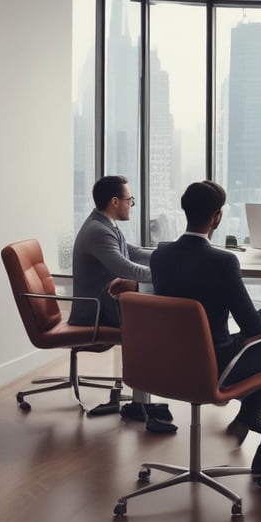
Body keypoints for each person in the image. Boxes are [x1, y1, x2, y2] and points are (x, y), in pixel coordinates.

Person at [150, 180, 261, 481]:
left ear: (185, 211)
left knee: (256, 341)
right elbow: (253, 325)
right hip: (214, 365)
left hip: (169, 365)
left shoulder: (160, 256)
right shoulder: (223, 261)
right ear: (217, 217)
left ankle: (249, 417)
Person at [69, 175, 175, 432]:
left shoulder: (105, 224)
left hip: (111, 303)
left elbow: (135, 252)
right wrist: (172, 274)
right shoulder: (98, 231)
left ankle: (143, 399)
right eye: (130, 200)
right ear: (115, 201)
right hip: (98, 312)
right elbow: (126, 268)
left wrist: (171, 258)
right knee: (163, 316)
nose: (131, 204)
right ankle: (144, 401)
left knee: (161, 311)